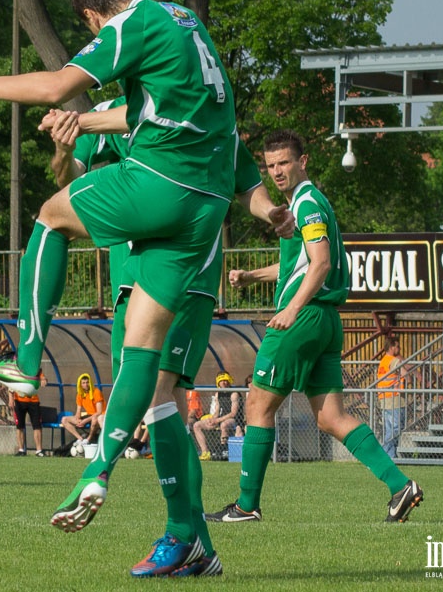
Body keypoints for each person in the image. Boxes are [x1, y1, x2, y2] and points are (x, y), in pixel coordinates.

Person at [0, 0, 288, 576]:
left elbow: (54, 86)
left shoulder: (132, 22)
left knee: (48, 218)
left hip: (165, 191)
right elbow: (204, 136)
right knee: (153, 380)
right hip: (199, 214)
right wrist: (264, 210)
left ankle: (27, 359)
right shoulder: (185, 23)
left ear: (94, 17)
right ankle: (118, 488)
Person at [42, 102, 291, 577]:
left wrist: (269, 212)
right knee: (166, 410)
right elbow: (67, 175)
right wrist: (63, 142)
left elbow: (248, 187)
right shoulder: (123, 112)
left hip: (186, 279)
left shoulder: (212, 119)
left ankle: (180, 533)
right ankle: (199, 545)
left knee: (158, 397)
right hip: (130, 283)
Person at [206, 130, 424, 525]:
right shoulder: (302, 207)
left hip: (303, 319)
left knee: (257, 405)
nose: (277, 172)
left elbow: (320, 263)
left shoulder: (307, 204)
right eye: (270, 166)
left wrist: (291, 309)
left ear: (302, 162)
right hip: (325, 320)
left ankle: (246, 505)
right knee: (330, 417)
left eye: (284, 163)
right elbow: (301, 265)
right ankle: (399, 485)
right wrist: (254, 275)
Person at [192, 372, 242, 461]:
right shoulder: (218, 394)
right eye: (221, 381)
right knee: (197, 425)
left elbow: (233, 413)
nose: (224, 383)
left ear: (229, 380)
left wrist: (218, 420)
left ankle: (224, 451)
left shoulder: (234, 393)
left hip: (234, 420)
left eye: (226, 380)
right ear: (218, 382)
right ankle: (205, 452)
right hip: (220, 419)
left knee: (224, 424)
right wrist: (212, 419)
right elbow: (217, 412)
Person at [377, 337, 409, 459]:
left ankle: (390, 456)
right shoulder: (394, 361)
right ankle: (383, 453)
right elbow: (405, 374)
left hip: (384, 399)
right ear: (392, 347)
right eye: (397, 347)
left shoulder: (383, 361)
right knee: (396, 429)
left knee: (389, 429)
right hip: (395, 399)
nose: (399, 349)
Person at [60, 373, 106, 446]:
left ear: (90, 382)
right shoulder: (80, 394)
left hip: (98, 416)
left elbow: (99, 412)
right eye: (83, 383)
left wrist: (85, 421)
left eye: (87, 382)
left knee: (94, 418)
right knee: (64, 419)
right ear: (80, 384)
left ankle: (88, 439)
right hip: (88, 416)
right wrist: (78, 419)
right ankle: (80, 439)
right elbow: (78, 410)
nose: (86, 384)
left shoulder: (96, 392)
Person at [10, 372, 49, 456]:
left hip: (33, 401)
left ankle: (39, 450)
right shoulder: (17, 368)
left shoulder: (35, 369)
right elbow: (10, 383)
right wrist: (10, 399)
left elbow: (43, 378)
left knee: (37, 426)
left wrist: (43, 380)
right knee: (19, 426)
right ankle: (21, 450)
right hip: (19, 401)